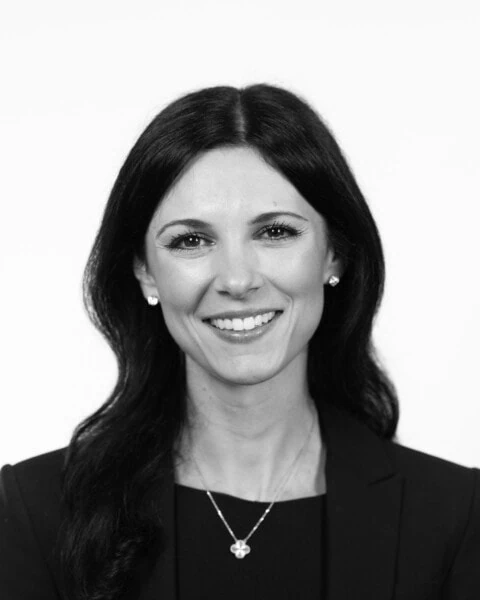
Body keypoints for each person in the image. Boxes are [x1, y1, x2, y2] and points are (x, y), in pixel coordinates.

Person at [0, 84, 479, 600]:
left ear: (335, 254)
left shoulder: (454, 516)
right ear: (144, 271)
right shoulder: (35, 510)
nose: (236, 279)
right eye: (191, 240)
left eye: (274, 232)